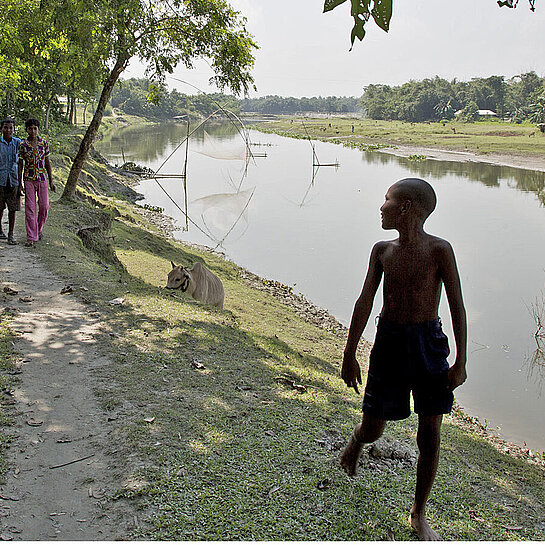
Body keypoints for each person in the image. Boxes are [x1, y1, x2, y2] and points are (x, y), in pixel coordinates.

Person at [340, 178, 467, 541]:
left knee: (430, 433)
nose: (382, 207)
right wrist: (349, 353)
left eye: (388, 200)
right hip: (390, 344)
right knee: (374, 427)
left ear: (407, 207)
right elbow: (365, 301)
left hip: (428, 344)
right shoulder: (382, 251)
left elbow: (456, 305)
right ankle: (356, 443)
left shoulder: (440, 251)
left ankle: (418, 512)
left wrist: (460, 361)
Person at [18, 118, 56, 247]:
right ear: (27, 130)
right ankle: (31, 236)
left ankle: (38, 230)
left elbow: (47, 163)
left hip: (42, 178)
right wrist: (19, 183)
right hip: (28, 179)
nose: (33, 131)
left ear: (38, 129)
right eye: (30, 128)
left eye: (35, 128)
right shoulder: (23, 145)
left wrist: (51, 181)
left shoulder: (44, 143)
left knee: (44, 207)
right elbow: (20, 165)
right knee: (30, 208)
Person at [0, 118, 22, 245]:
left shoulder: (18, 143)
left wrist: (21, 183)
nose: (8, 130)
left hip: (13, 180)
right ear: (1, 129)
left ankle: (11, 234)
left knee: (12, 209)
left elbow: (21, 163)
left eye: (11, 128)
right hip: (0, 179)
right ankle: (0, 230)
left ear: (14, 129)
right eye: (6, 127)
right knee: (0, 207)